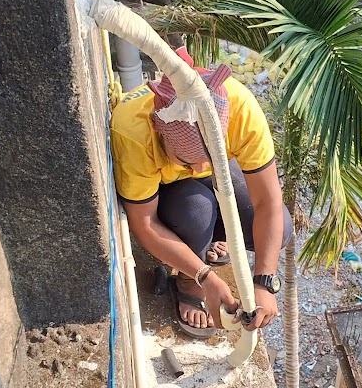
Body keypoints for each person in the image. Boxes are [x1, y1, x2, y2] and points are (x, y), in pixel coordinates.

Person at [110, 47, 292, 338]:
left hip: (220, 166)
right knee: (197, 210)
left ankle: (209, 241)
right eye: (187, 161)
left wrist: (264, 281)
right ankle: (186, 278)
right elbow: (145, 223)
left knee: (281, 229)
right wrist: (203, 276)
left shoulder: (241, 108)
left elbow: (268, 201)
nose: (200, 169)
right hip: (168, 189)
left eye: (209, 157)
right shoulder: (132, 132)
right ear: (159, 130)